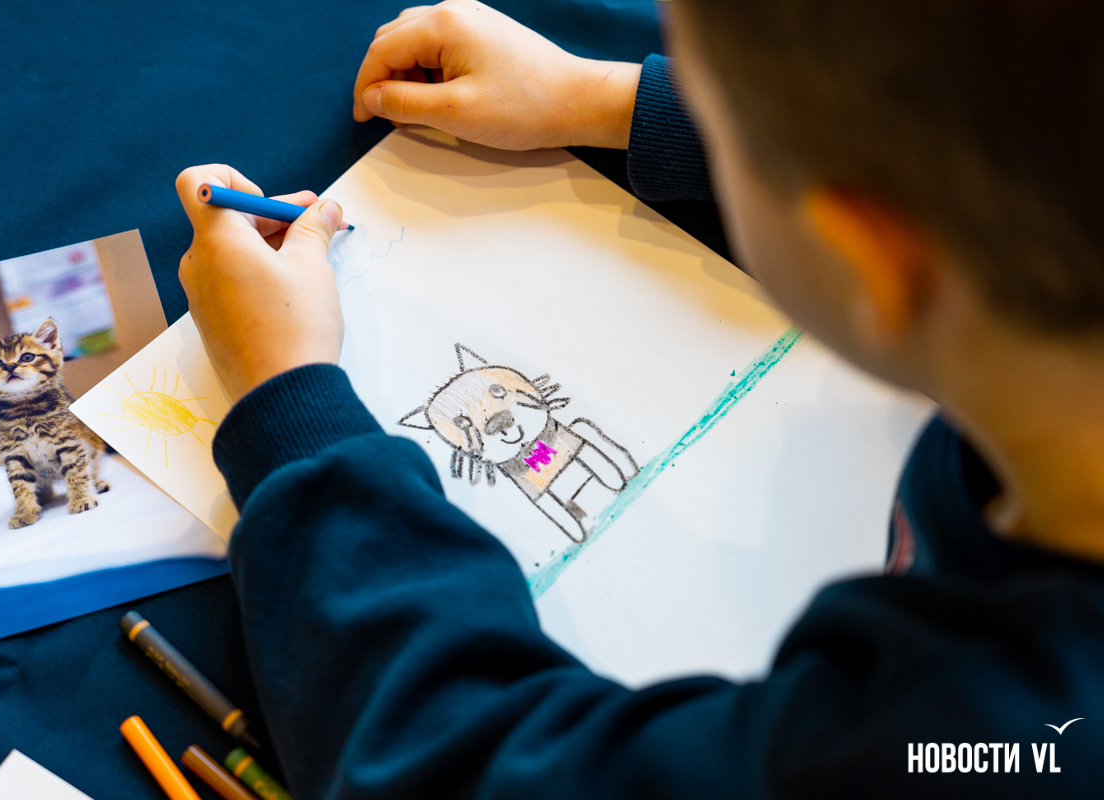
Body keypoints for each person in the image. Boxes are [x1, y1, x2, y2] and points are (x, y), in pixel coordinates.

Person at [174, 0, 1104, 794]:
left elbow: (456, 761)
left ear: (869, 264)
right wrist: (610, 102)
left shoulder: (975, 734)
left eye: (723, 128)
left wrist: (290, 396)